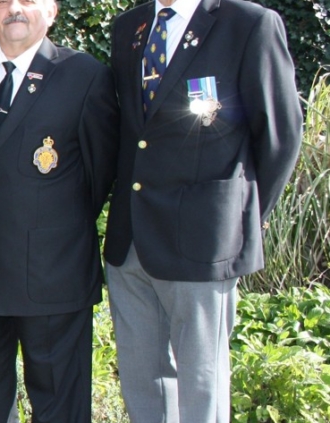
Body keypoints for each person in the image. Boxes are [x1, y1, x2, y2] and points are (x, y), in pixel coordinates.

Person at [105, 0, 302, 421]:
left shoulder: (248, 24)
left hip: (202, 242)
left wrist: (237, 218)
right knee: (143, 383)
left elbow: (281, 135)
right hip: (132, 240)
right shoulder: (130, 27)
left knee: (201, 386)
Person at [0, 0, 118, 421]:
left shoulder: (83, 75)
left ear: (53, 12)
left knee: (59, 402)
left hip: (52, 275)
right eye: (3, 2)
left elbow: (100, 174)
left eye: (28, 1)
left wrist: (46, 225)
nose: (15, 9)